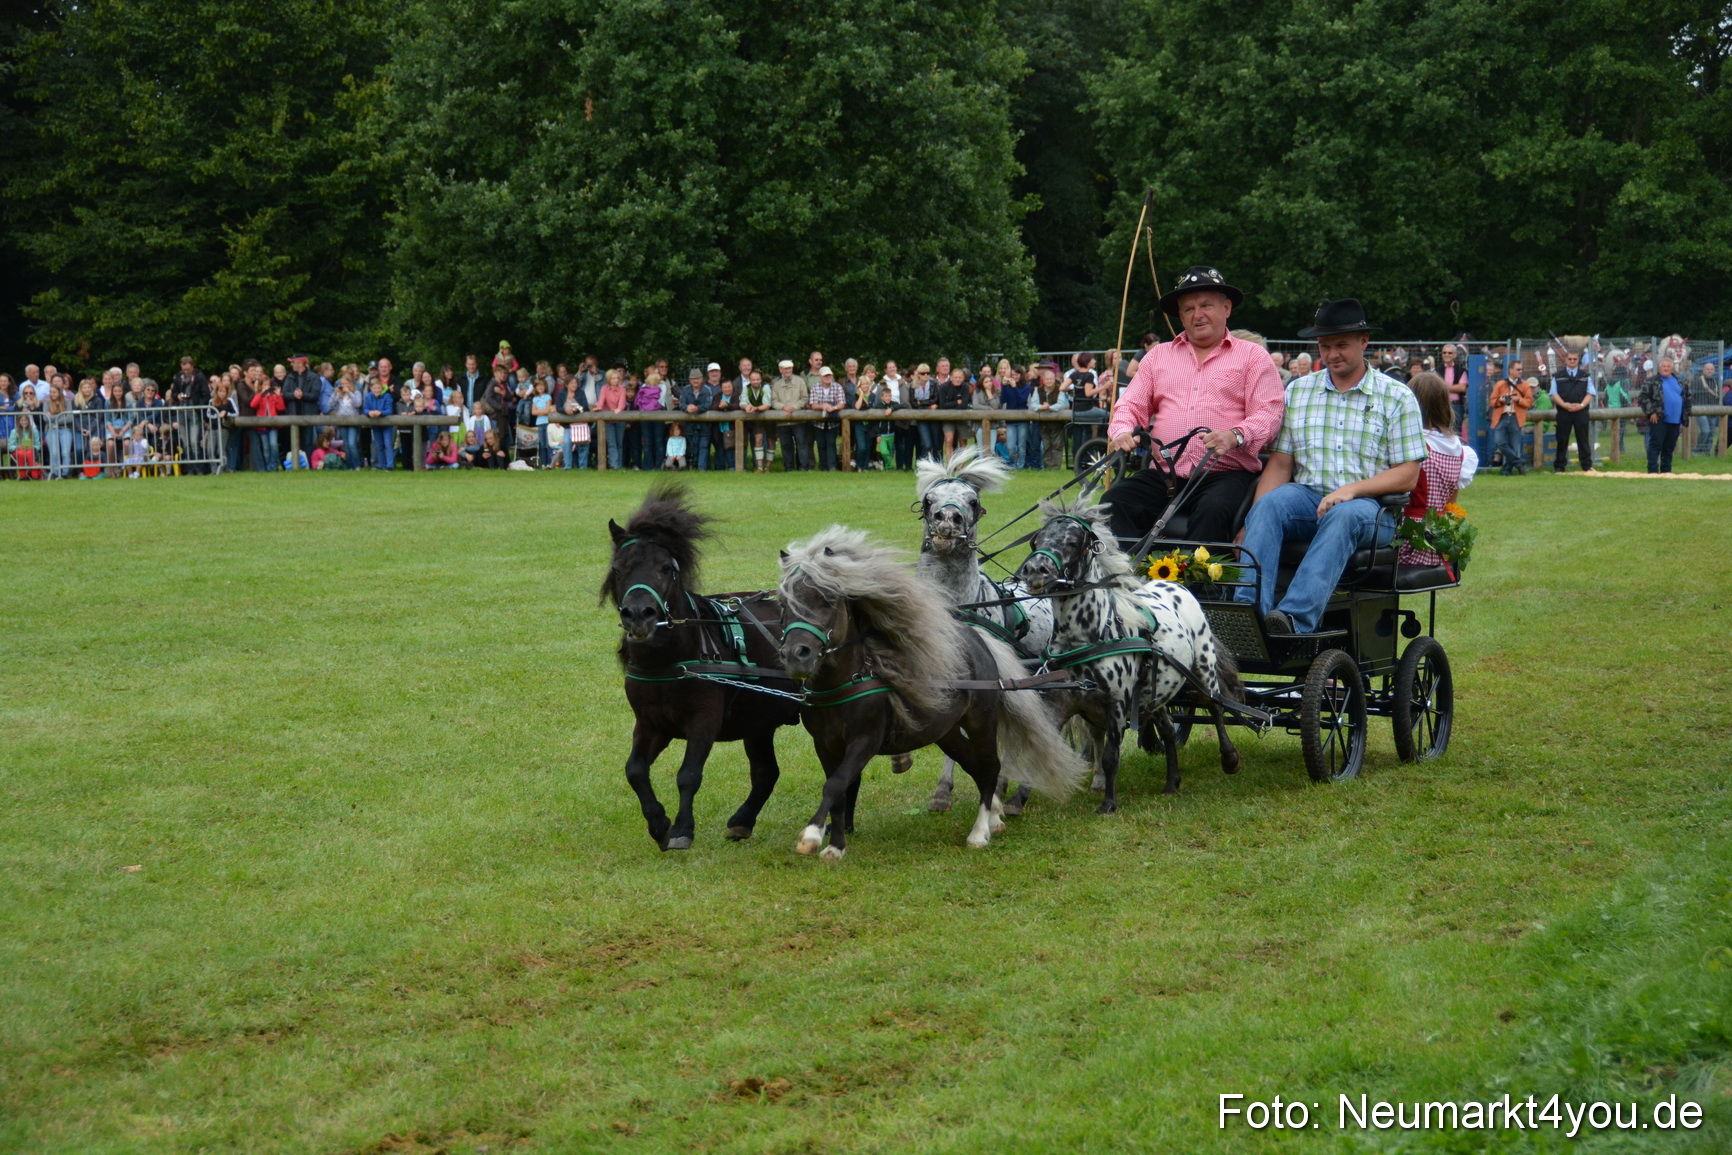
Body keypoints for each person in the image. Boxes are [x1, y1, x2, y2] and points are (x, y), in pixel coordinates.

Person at [1234, 299, 1426, 635]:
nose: (1333, 354)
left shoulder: (1396, 396)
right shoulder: (1299, 391)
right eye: (1325, 346)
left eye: (1341, 345)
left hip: (1370, 510)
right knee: (1270, 505)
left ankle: (1292, 620)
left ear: (1364, 342)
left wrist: (1350, 491)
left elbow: (1408, 474)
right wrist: (1252, 521)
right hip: (1308, 499)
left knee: (1344, 514)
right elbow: (1280, 465)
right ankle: (1245, 615)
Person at [1102, 266, 1285, 544]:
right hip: (1165, 474)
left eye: (1205, 305)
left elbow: (1269, 414)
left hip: (1225, 473)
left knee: (1213, 510)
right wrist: (1122, 431)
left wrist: (1235, 435)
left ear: (1226, 308)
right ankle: (1129, 579)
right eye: (1188, 308)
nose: (1197, 314)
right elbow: (1129, 405)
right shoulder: (1157, 357)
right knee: (1113, 503)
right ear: (1180, 316)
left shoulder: (1253, 357)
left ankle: (1205, 587)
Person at [1397, 373, 1477, 569]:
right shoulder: (1458, 448)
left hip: (1408, 540)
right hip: (1440, 543)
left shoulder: (1411, 445)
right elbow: (1451, 505)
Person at [1638, 356, 1690, 474]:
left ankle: (1667, 471)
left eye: (1668, 366)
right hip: (1659, 419)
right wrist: (1652, 412)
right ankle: (1653, 471)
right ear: (1659, 368)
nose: (1666, 368)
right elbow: (1643, 398)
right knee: (1655, 446)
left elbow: (1688, 397)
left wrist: (1686, 414)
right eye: (1663, 366)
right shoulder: (1652, 381)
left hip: (1675, 419)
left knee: (1669, 447)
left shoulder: (1680, 381)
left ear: (1672, 368)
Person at [1548, 349, 1595, 473]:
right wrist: (1564, 405)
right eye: (1570, 359)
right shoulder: (1557, 376)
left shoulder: (1585, 376)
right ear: (1565, 360)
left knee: (1583, 439)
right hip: (1564, 413)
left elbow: (1590, 393)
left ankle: (1586, 466)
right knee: (1562, 439)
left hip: (1581, 412)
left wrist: (1581, 405)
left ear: (1578, 360)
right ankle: (1559, 466)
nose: (1572, 361)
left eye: (1575, 359)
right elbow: (1554, 393)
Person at [1487, 358, 1533, 475]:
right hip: (1501, 416)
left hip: (1515, 417)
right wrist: (1501, 400)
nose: (1520, 371)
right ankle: (1519, 463)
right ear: (1510, 370)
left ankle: (1507, 470)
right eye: (1518, 369)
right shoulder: (1500, 384)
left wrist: (1519, 400)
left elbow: (1529, 402)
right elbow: (1492, 402)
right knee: (1500, 442)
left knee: (1513, 445)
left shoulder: (1525, 385)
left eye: (1521, 369)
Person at [771, 359, 811, 471]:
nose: (788, 370)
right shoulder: (776, 384)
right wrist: (783, 407)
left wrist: (794, 407)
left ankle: (804, 467)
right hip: (783, 420)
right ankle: (789, 468)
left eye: (790, 368)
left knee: (802, 444)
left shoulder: (800, 381)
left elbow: (804, 398)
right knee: (786, 445)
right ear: (780, 370)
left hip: (798, 419)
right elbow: (773, 401)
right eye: (785, 368)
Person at [679, 365, 719, 470]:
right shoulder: (685, 390)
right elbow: (681, 403)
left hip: (705, 426)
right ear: (689, 380)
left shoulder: (707, 390)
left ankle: (702, 468)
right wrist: (687, 407)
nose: (695, 381)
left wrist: (697, 408)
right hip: (689, 425)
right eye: (693, 379)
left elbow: (708, 404)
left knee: (704, 446)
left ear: (702, 379)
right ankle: (691, 466)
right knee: (691, 447)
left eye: (697, 378)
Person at [808, 364, 845, 470]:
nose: (828, 377)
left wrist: (833, 407)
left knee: (831, 443)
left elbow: (842, 403)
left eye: (829, 375)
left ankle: (832, 466)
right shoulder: (815, 387)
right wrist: (823, 406)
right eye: (825, 376)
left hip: (833, 422)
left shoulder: (837, 387)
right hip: (818, 422)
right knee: (821, 444)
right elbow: (813, 405)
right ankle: (823, 467)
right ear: (820, 377)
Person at [597, 368, 629, 469]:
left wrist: (619, 409)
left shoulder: (622, 389)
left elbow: (622, 402)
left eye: (617, 378)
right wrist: (598, 407)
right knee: (611, 443)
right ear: (608, 379)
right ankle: (613, 465)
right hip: (608, 420)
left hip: (619, 419)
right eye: (613, 378)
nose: (615, 380)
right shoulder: (604, 388)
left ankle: (619, 465)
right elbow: (601, 400)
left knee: (619, 443)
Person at [363, 377, 395, 470]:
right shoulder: (368, 396)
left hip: (386, 425)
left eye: (379, 388)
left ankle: (390, 465)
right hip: (375, 425)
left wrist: (380, 412)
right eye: (375, 388)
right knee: (378, 445)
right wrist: (369, 413)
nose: (377, 390)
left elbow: (389, 410)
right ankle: (382, 465)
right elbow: (365, 409)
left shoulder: (387, 396)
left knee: (388, 444)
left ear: (381, 388)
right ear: (371, 388)